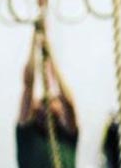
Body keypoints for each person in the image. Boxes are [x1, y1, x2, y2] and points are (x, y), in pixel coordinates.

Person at [16, 27, 78, 168]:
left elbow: (68, 102)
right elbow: (28, 85)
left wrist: (50, 56)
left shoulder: (66, 136)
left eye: (53, 101)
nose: (47, 107)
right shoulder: (28, 134)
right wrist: (34, 42)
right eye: (43, 103)